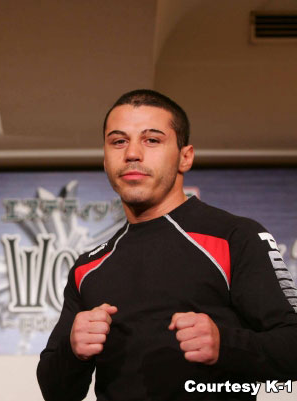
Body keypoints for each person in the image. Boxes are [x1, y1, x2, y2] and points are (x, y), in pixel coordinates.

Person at [37, 89, 297, 400]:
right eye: (119, 141)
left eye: (152, 140)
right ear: (105, 157)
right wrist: (73, 351)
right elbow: (55, 392)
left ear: (185, 156)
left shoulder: (234, 237)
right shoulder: (87, 267)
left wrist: (226, 344)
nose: (132, 153)